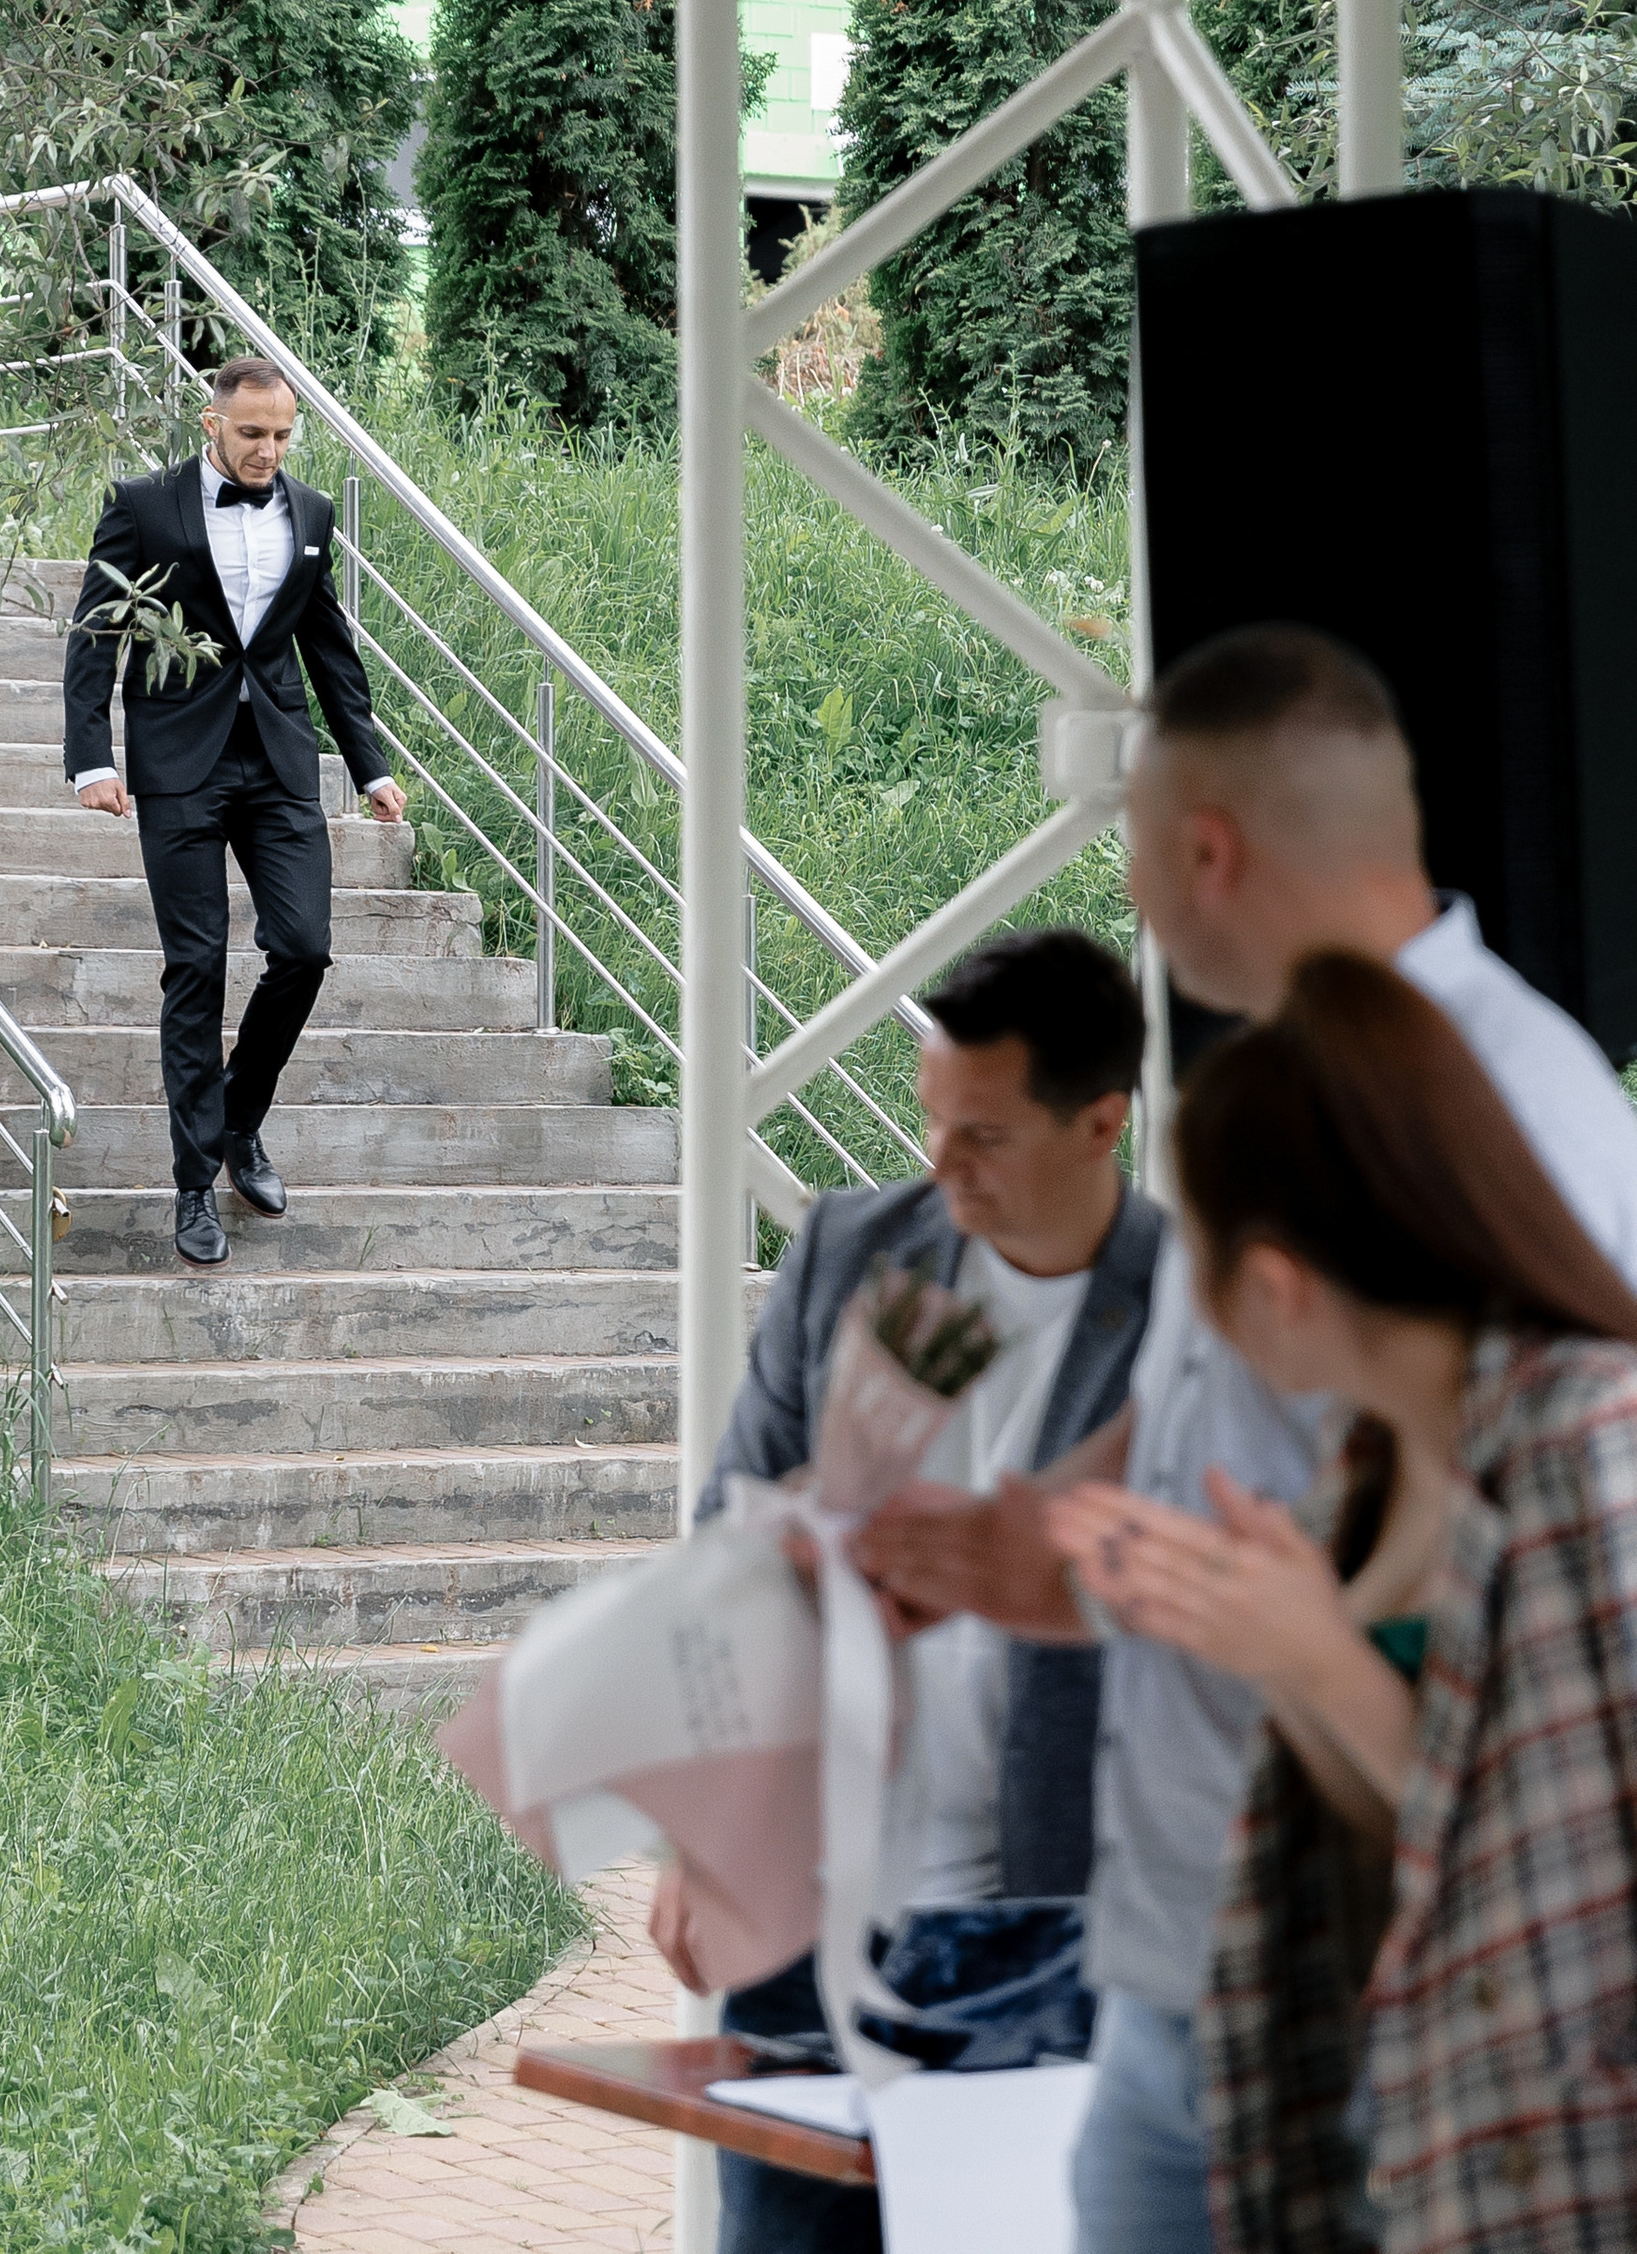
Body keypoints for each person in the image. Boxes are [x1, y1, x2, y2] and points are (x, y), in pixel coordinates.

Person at [849, 626, 1637, 2254]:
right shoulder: (1292, 1100)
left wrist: (1302, 1647)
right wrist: (1037, 1544)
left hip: (1412, 2005)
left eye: (1130, 850)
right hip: (1209, 1956)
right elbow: (1214, 1450)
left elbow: (1548, 1809)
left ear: (1200, 850)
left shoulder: (1532, 1141)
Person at [1056, 950, 1637, 2254]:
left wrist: (1315, 1659)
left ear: (1276, 1284)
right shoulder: (1374, 1465)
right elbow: (1407, 1832)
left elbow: (1560, 1874)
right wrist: (1255, 1634)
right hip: (1398, 2122)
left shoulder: (1597, 1443)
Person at [656, 928, 1162, 2254]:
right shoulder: (847, 1252)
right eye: (933, 1118)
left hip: (1062, 1936)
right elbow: (728, 1552)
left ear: (1102, 1122)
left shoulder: (1194, 1314)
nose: (938, 1167)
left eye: (983, 1137)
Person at [62, 355, 404, 1269]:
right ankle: (191, 1187)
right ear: (211, 423)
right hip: (178, 760)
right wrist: (91, 757)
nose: (267, 451)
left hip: (279, 759)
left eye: (282, 436)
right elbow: (96, 631)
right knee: (197, 964)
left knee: (303, 947)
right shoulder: (143, 505)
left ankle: (237, 1119)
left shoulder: (313, 514)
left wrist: (368, 766)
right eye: (252, 433)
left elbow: (330, 648)